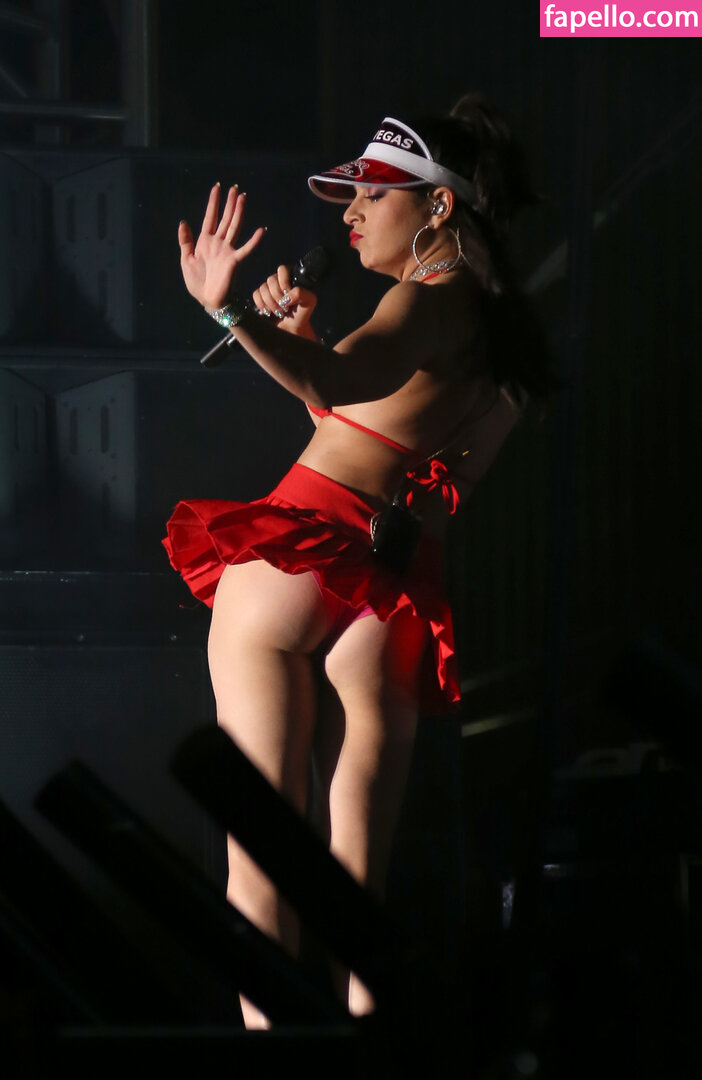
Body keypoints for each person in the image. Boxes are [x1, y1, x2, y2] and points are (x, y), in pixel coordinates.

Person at [163, 94, 554, 1027]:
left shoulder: (425, 299)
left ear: (439, 206)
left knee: (263, 860)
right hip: (389, 594)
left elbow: (338, 385)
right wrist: (294, 336)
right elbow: (368, 428)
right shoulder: (503, 339)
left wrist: (226, 308)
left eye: (374, 194)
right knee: (356, 892)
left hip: (302, 554)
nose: (352, 212)